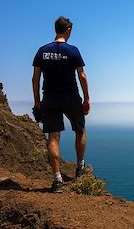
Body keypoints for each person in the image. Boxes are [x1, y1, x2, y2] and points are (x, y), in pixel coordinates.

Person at [32, 16, 91, 193]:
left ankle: (57, 179)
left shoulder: (42, 51)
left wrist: (37, 102)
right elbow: (82, 76)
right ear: (68, 31)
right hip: (71, 97)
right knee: (80, 130)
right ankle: (80, 168)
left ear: (55, 29)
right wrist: (87, 98)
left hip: (49, 98)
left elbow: (35, 79)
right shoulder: (73, 51)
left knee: (53, 137)